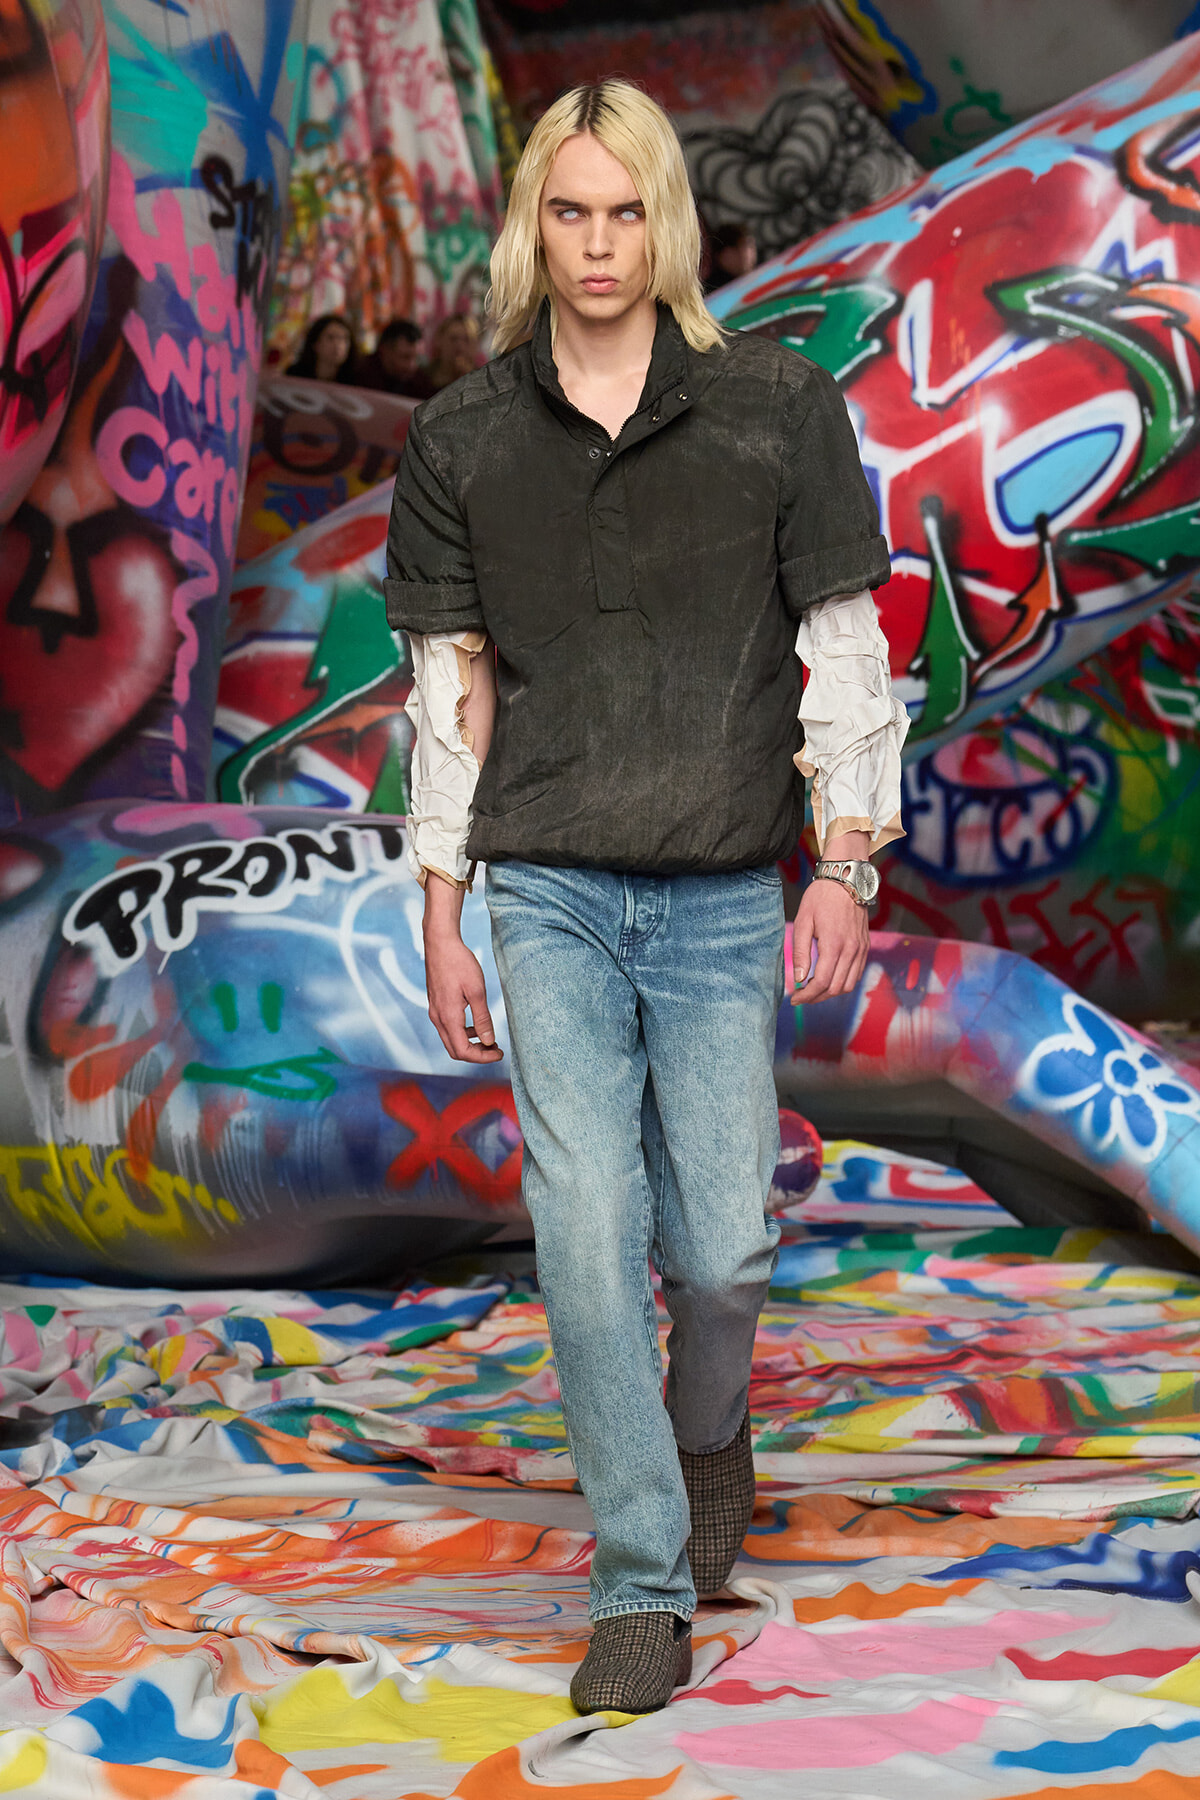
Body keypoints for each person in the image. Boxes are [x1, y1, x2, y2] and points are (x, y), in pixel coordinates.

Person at [384, 79, 907, 1716]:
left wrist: (843, 859)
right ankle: (638, 1581)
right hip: (543, 886)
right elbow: (450, 692)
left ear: (664, 223)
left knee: (728, 1250)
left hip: (720, 896)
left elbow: (845, 652)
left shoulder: (776, 409)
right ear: (533, 224)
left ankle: (705, 1432)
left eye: (626, 213)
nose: (598, 245)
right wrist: (441, 904)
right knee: (590, 1232)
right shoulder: (462, 437)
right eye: (569, 212)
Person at [360, 318, 435, 400]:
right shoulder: (361, 375)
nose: (411, 365)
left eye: (416, 358)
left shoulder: (419, 381)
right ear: (385, 350)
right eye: (405, 357)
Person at [285, 313, 360, 384]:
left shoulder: (355, 380)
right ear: (315, 343)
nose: (338, 345)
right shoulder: (295, 374)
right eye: (331, 338)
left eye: (344, 339)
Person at [427, 312, 483, 390]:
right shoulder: (423, 378)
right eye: (453, 339)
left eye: (467, 340)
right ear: (440, 340)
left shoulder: (483, 383)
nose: (460, 346)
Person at [703, 220, 758, 293]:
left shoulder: (758, 279)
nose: (748, 254)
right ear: (723, 254)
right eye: (740, 247)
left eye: (751, 246)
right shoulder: (713, 291)